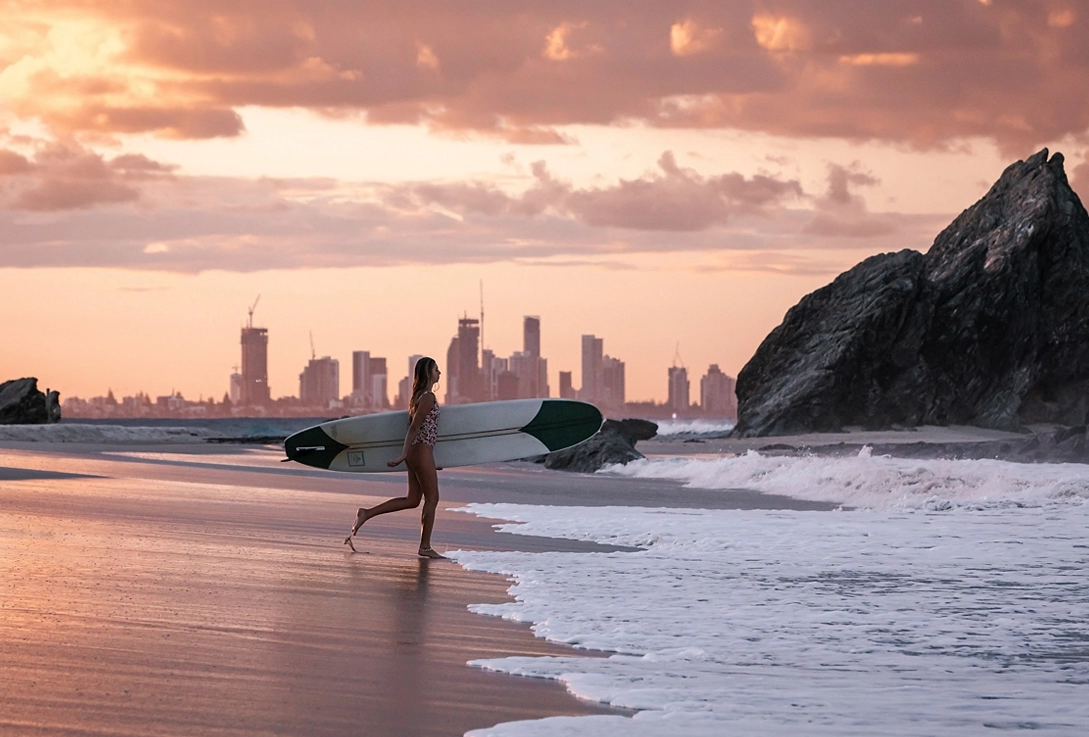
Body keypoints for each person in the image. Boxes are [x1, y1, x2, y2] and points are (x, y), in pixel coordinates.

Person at [344, 357, 445, 558]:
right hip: (421, 452)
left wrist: (413, 457)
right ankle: (425, 547)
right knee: (432, 498)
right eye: (436, 369)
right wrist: (403, 455)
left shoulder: (417, 398)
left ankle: (367, 513)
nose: (439, 373)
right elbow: (414, 428)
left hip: (418, 453)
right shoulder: (428, 398)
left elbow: (421, 429)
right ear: (428, 373)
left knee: (413, 499)